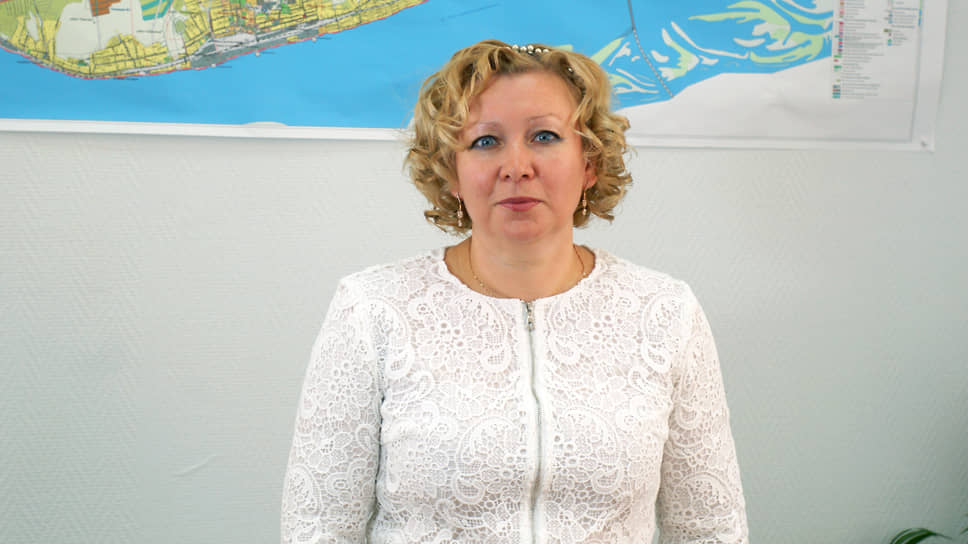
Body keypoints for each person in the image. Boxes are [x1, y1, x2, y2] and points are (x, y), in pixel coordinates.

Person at [281, 39, 748, 543]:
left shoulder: (665, 312)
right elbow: (318, 527)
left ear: (589, 163)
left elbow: (709, 527)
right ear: (451, 171)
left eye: (544, 136)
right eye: (485, 141)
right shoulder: (373, 309)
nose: (517, 166)